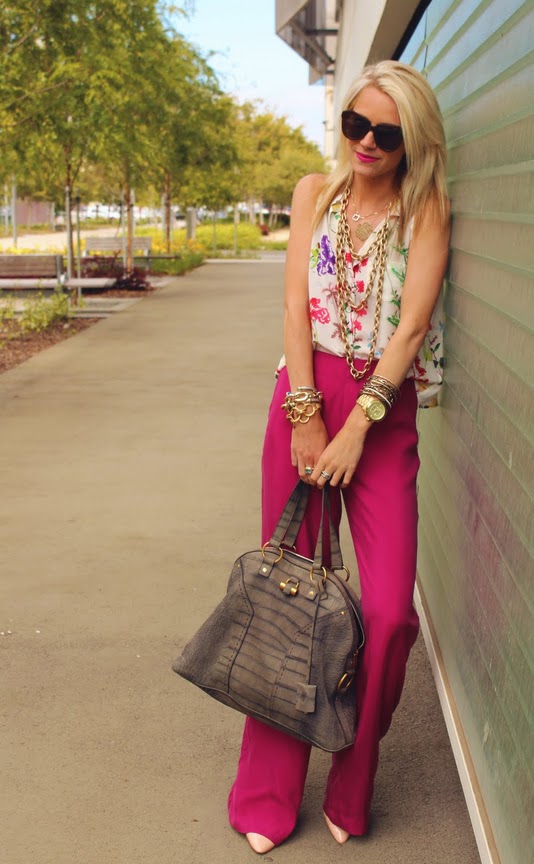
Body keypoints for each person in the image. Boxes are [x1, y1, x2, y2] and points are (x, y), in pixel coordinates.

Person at [228, 60, 450, 854]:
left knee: (387, 615)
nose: (366, 142)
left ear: (411, 140)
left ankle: (355, 776)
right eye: (356, 124)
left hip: (381, 417)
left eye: (385, 132)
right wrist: (306, 414)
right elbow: (295, 306)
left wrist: (358, 425)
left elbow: (412, 328)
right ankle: (266, 791)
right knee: (290, 594)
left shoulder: (426, 209)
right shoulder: (312, 194)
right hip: (304, 396)